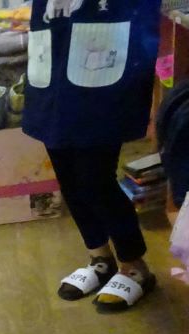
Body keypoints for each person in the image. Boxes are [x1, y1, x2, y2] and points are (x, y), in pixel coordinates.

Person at [23, 0, 160, 312]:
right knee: (67, 173)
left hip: (103, 38)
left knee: (94, 177)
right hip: (55, 47)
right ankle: (100, 257)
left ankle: (134, 265)